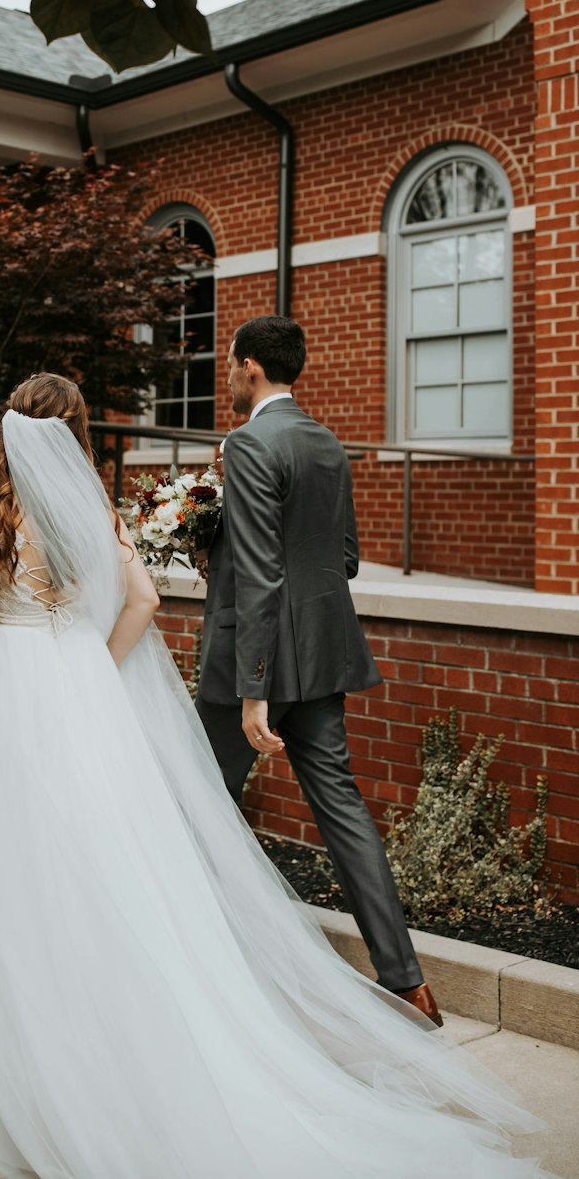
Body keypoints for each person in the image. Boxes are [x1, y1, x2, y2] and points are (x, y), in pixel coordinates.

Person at [0, 372, 545, 1179]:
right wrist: (87, 667)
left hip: (2, 687)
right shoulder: (92, 502)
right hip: (76, 686)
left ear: (8, 426)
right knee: (103, 866)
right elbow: (142, 602)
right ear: (80, 430)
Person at [196, 315, 439, 1023]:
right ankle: (408, 983)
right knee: (345, 813)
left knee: (190, 808)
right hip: (323, 664)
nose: (230, 376)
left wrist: (253, 692)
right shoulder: (328, 444)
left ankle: (198, 967)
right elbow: (345, 559)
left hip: (259, 671)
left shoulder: (248, 444)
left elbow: (261, 577)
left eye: (231, 365)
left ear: (249, 368)